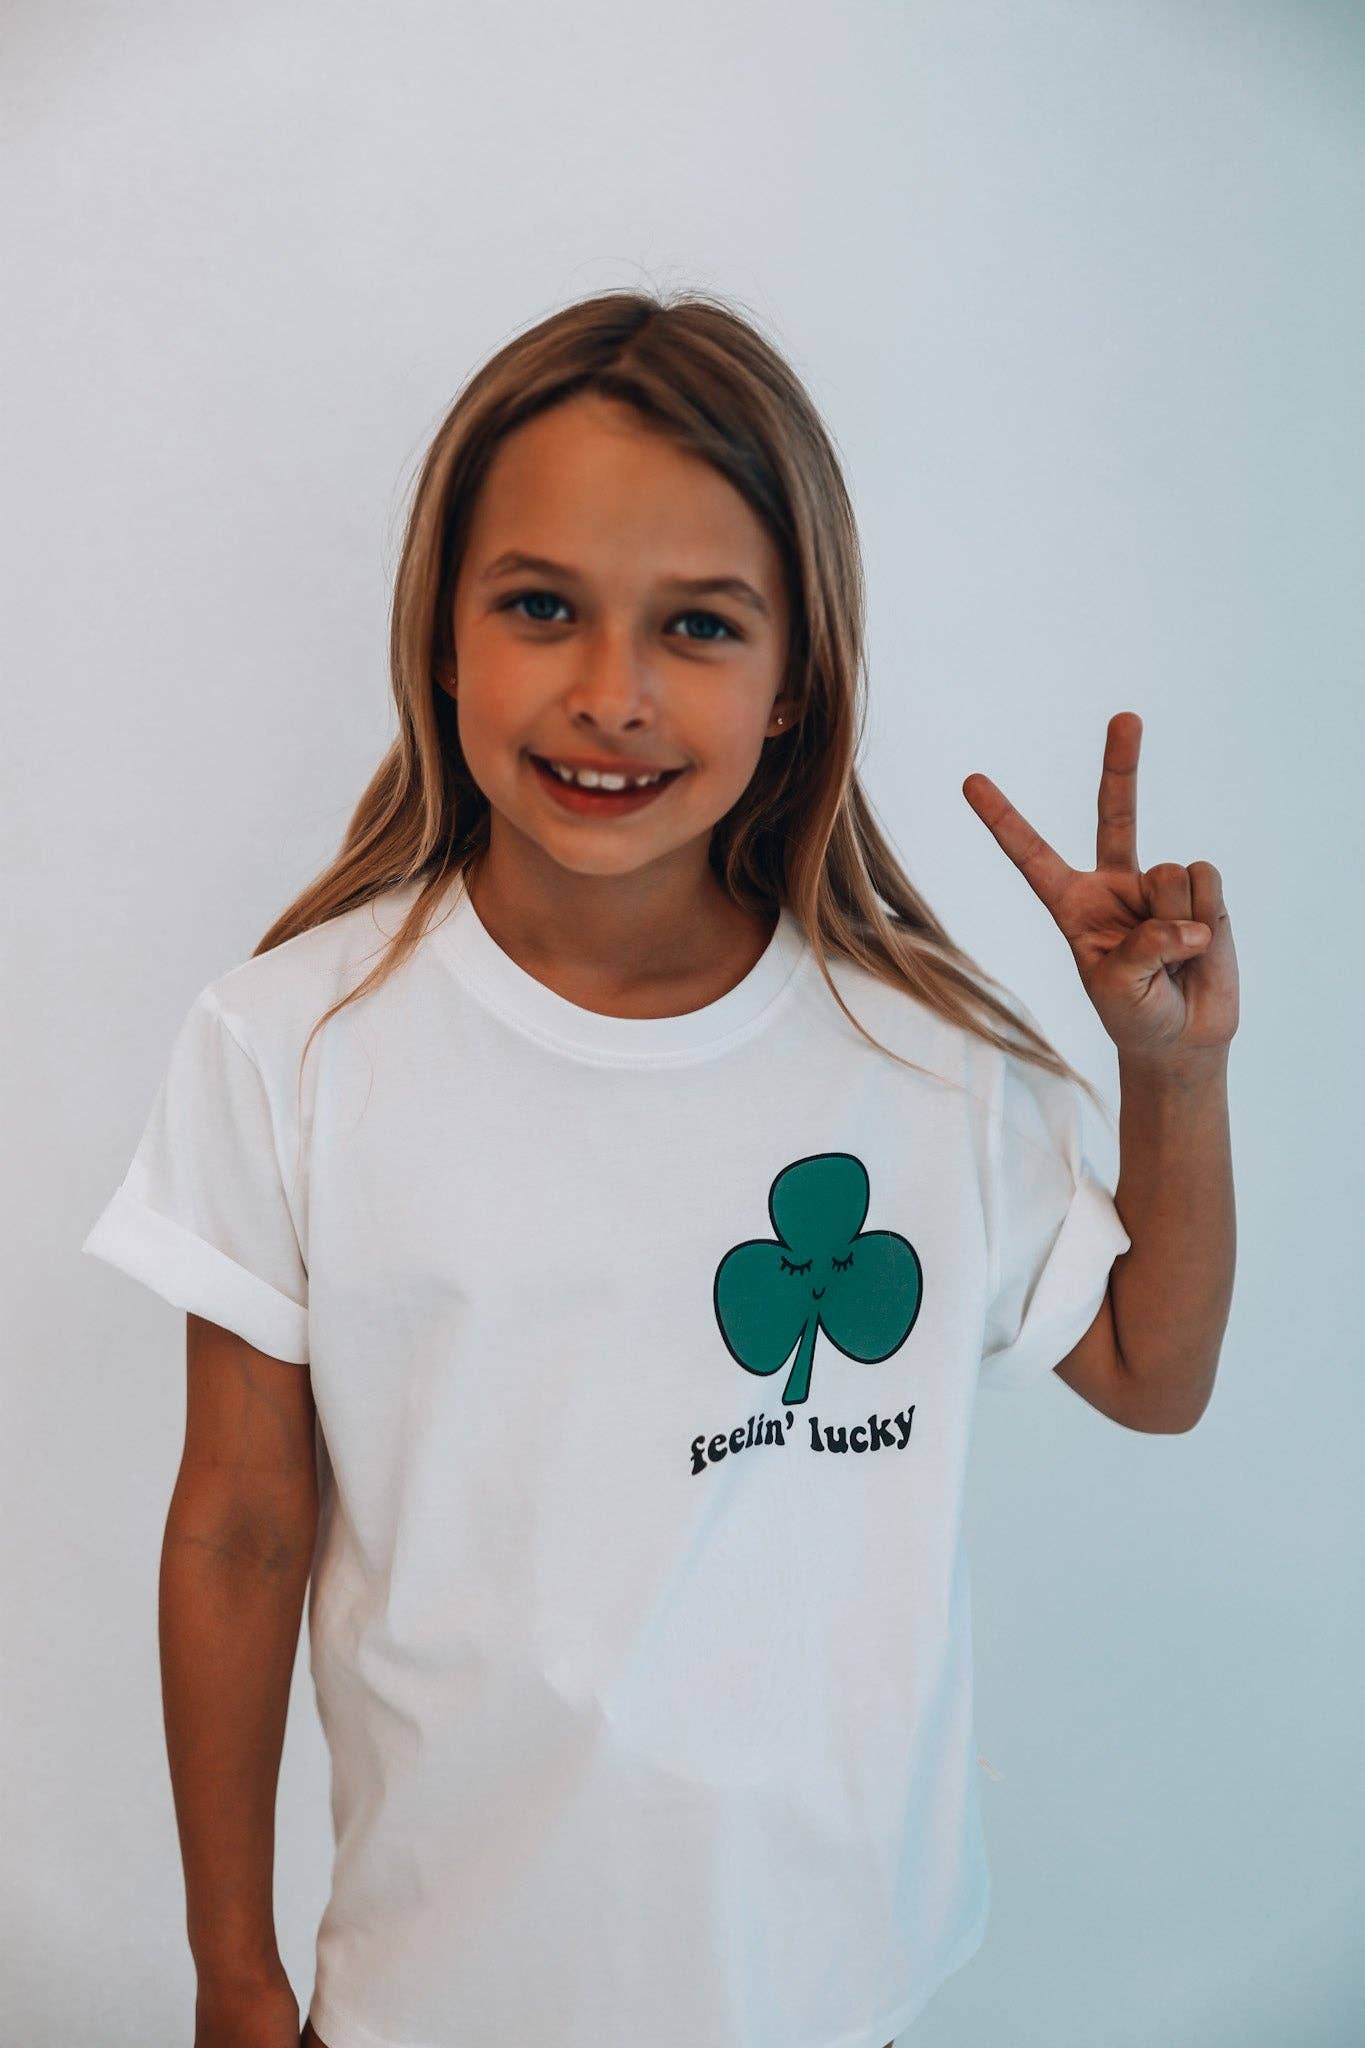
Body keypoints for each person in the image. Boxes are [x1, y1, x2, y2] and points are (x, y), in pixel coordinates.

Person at [81, 290, 1238, 2048]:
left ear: (793, 688)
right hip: (433, 2001)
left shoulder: (923, 1061)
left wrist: (1172, 1075)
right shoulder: (289, 1045)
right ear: (443, 636)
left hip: (829, 1995)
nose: (607, 694)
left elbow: (1153, 1374)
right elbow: (240, 1530)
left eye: (697, 625)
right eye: (541, 606)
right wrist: (233, 1975)